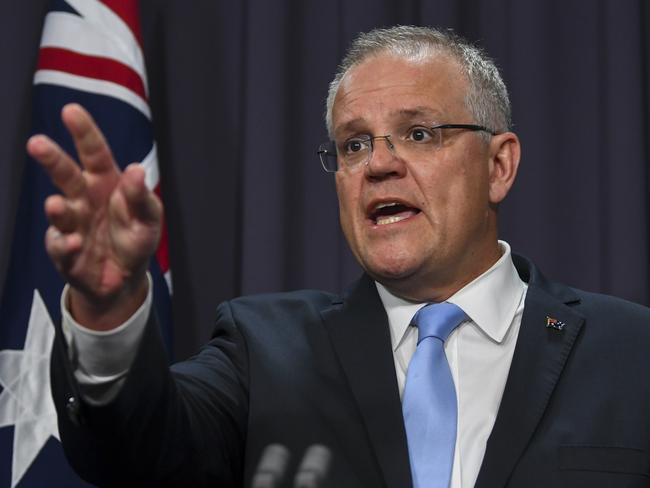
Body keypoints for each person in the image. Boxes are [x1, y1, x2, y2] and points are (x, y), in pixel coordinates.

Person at [30, 25, 650, 488]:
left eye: (419, 133)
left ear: (499, 164)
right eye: (354, 144)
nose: (379, 164)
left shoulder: (631, 350)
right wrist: (105, 310)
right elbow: (136, 450)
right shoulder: (263, 350)